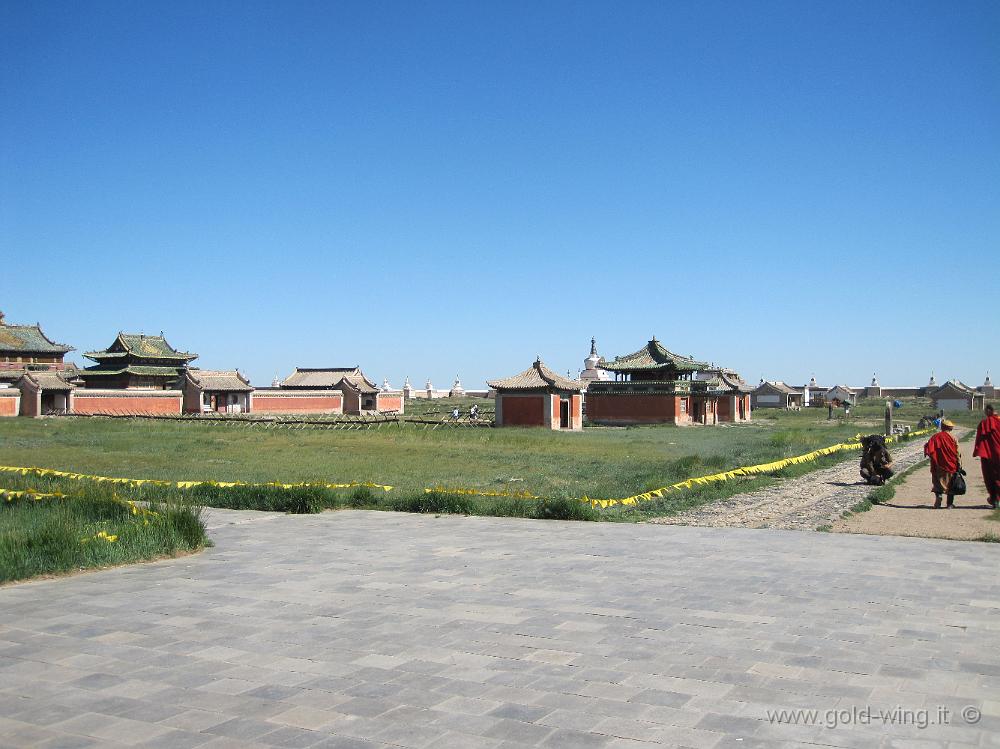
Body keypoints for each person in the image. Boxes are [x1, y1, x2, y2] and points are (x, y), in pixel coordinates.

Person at [924, 419, 961, 508]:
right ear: (950, 428)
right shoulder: (953, 438)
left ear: (942, 427)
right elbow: (957, 452)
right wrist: (959, 464)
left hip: (937, 464)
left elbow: (929, 448)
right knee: (951, 483)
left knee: (937, 482)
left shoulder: (935, 437)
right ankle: (949, 504)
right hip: (950, 464)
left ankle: (939, 496)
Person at [974, 404, 1000, 509]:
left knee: (990, 476)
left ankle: (994, 499)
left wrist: (978, 450)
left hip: (989, 454)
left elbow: (980, 440)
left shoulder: (985, 423)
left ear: (989, 411)